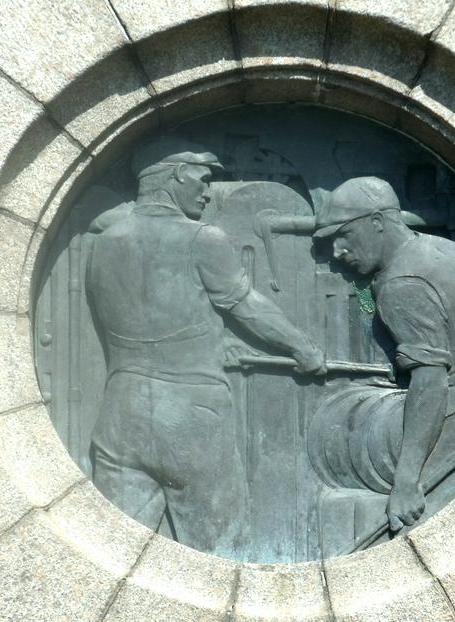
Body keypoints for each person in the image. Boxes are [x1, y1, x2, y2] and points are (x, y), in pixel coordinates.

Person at [86, 137, 325, 557]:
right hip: (190, 421)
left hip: (120, 418)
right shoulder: (202, 238)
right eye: (201, 178)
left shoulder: (105, 241)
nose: (208, 190)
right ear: (177, 174)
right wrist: (304, 348)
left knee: (117, 558)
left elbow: (151, 317)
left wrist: (213, 341)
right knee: (220, 560)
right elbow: (246, 305)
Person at [313, 176, 455, 532]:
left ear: (376, 222)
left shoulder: (401, 285)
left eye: (342, 235)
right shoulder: (450, 251)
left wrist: (407, 482)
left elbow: (431, 380)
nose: (336, 251)